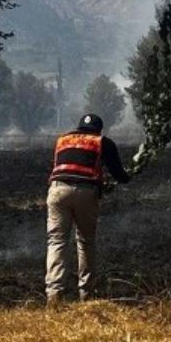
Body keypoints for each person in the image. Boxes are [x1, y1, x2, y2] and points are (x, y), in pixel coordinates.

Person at [45, 113, 130, 306]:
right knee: (85, 241)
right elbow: (119, 173)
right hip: (85, 191)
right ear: (99, 129)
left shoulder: (62, 140)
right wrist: (129, 175)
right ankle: (86, 293)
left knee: (56, 242)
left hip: (57, 190)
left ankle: (54, 294)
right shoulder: (102, 142)